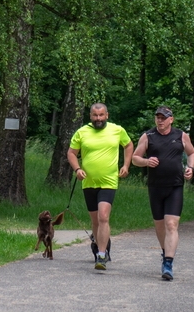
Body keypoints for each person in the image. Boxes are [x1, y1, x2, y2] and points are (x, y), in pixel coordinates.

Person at [132, 105, 194, 281]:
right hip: (155, 187)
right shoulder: (148, 136)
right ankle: (164, 252)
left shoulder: (181, 135)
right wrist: (146, 161)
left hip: (175, 186)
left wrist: (190, 168)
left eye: (163, 117)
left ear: (171, 119)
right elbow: (135, 158)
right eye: (158, 117)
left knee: (171, 225)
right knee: (160, 226)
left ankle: (168, 263)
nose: (160, 120)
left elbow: (192, 153)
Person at [67, 103, 134, 271]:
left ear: (107, 115)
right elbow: (71, 153)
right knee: (96, 220)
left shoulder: (117, 130)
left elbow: (128, 145)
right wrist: (78, 169)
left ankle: (101, 255)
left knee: (104, 217)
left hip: (109, 181)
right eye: (95, 115)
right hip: (88, 182)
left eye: (101, 115)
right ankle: (100, 244)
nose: (98, 118)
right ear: (90, 116)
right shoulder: (82, 132)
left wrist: (126, 165)